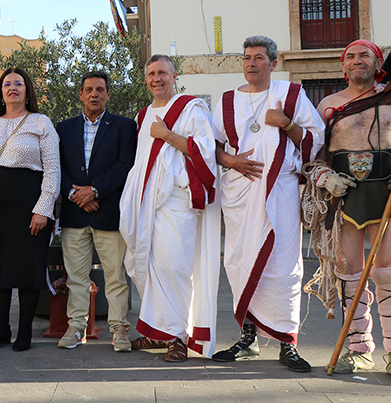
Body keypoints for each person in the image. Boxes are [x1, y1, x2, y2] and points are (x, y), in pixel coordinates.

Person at [212, 36, 324, 373]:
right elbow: (212, 146)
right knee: (239, 260)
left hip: (279, 192)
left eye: (259, 58)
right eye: (247, 58)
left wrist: (287, 124)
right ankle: (248, 338)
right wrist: (231, 162)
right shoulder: (227, 101)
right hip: (240, 194)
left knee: (284, 263)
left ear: (273, 63)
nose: (251, 63)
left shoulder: (290, 95)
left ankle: (288, 343)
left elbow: (314, 139)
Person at [118, 55, 220, 363]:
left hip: (177, 201)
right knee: (150, 266)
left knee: (175, 268)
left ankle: (177, 336)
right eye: (151, 74)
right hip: (146, 202)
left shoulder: (192, 108)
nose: (156, 78)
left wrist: (167, 135)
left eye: (162, 72)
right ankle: (158, 332)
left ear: (174, 75)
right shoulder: (143, 114)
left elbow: (205, 151)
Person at [309, 39, 391, 374]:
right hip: (344, 198)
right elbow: (312, 154)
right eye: (351, 57)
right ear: (343, 67)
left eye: (365, 56)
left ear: (378, 62)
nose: (358, 61)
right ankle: (358, 348)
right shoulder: (328, 105)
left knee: (387, 271)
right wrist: (325, 177)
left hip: (387, 195)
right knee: (349, 271)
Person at [0, 67, 60, 352]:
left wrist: (43, 208)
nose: (13, 87)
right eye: (7, 84)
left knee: (28, 269)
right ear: (0, 92)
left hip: (29, 207)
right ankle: (1, 330)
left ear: (27, 90)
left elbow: (53, 171)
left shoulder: (41, 123)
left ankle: (24, 332)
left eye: (19, 83)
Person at [55, 70, 136, 351]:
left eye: (100, 90)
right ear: (80, 94)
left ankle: (119, 330)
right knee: (76, 277)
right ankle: (76, 328)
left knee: (115, 276)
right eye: (89, 89)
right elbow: (56, 167)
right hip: (74, 213)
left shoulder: (125, 127)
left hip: (109, 213)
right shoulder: (63, 128)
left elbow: (126, 165)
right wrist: (76, 194)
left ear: (108, 94)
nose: (94, 94)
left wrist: (96, 191)